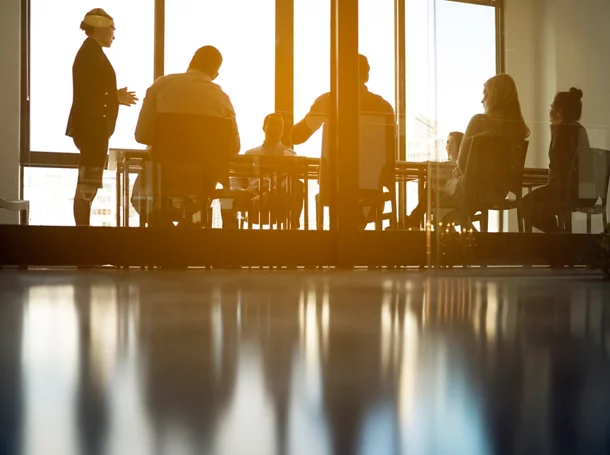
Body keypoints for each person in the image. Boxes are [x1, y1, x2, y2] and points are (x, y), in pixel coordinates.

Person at [132, 45, 240, 223]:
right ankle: (188, 236)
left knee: (150, 204)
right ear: (215, 74)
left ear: (191, 62)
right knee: (194, 207)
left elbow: (141, 135)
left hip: (161, 182)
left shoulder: (161, 85)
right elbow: (233, 148)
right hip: (202, 186)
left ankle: (161, 235)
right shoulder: (222, 99)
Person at [406, 74, 530, 228]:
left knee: (433, 183)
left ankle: (417, 222)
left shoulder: (480, 121)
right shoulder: (517, 130)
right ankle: (454, 223)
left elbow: (463, 163)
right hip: (498, 191)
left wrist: (458, 172)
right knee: (452, 202)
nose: (482, 100)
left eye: (485, 93)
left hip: (473, 191)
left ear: (495, 96)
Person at [291, 54, 396, 227]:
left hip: (335, 185)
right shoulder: (384, 107)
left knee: (341, 225)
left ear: (339, 73)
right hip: (373, 187)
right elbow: (391, 148)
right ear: (367, 75)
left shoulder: (328, 101)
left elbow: (297, 137)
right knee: (357, 222)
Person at [66, 8, 138, 226]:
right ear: (100, 27)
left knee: (89, 184)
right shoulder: (91, 54)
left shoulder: (90, 52)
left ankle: (83, 238)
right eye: (112, 29)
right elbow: (89, 94)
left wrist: (115, 98)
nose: (113, 35)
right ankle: (83, 241)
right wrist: (116, 97)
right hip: (92, 130)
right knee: (87, 185)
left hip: (92, 129)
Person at [521, 88, 590, 232]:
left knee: (524, 205)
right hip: (584, 192)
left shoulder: (561, 130)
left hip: (565, 192)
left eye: (552, 107)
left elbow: (558, 166)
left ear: (559, 110)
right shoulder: (581, 130)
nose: (550, 110)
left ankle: (558, 234)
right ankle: (559, 234)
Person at [222, 113, 304, 228]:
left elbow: (289, 182)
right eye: (273, 124)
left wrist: (269, 193)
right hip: (251, 195)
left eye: (280, 125)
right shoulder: (250, 154)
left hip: (276, 197)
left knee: (297, 185)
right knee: (226, 194)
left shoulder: (290, 156)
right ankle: (228, 234)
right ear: (264, 127)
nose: (277, 128)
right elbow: (236, 178)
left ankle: (293, 230)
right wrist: (239, 191)